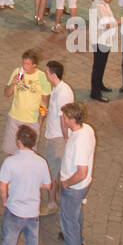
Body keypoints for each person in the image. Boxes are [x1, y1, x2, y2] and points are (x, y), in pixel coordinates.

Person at [0, 125, 52, 245]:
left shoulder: (10, 162)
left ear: (19, 142)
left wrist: (5, 200)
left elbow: (2, 185)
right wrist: (34, 184)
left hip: (14, 210)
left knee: (9, 244)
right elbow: (47, 185)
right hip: (33, 212)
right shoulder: (41, 162)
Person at [51, 103, 96, 245]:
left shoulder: (79, 142)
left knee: (69, 227)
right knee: (76, 215)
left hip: (74, 188)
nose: (62, 119)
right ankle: (79, 238)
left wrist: (65, 183)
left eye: (64, 117)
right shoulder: (86, 130)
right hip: (81, 188)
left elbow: (81, 171)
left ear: (72, 119)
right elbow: (66, 134)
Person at [41, 60, 74, 211]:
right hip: (54, 135)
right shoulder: (56, 89)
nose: (45, 74)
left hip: (57, 138)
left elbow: (63, 119)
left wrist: (66, 139)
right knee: (58, 169)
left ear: (53, 75)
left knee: (51, 171)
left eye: (47, 72)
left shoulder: (63, 92)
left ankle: (52, 201)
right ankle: (59, 194)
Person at [3, 50, 50, 154]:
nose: (24, 66)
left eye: (28, 64)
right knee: (11, 150)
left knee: (29, 151)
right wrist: (13, 84)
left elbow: (45, 101)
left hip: (31, 120)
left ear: (35, 65)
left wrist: (41, 119)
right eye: (23, 63)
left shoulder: (42, 77)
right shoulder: (17, 72)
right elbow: (6, 94)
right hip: (15, 117)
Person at [89, 0, 118, 102]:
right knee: (98, 67)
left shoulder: (103, 4)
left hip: (103, 40)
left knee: (101, 66)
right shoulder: (98, 6)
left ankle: (99, 84)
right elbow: (106, 24)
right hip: (100, 40)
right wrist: (122, 21)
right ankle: (95, 92)